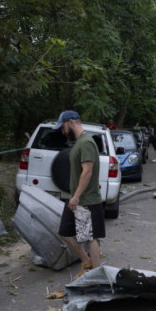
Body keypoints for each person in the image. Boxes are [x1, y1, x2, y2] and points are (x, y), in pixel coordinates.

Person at [54, 110, 104, 278]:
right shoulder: (79, 142)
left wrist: (76, 196)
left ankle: (96, 275)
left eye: (63, 127)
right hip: (77, 198)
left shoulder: (86, 142)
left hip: (85, 199)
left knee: (90, 237)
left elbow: (87, 172)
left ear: (71, 122)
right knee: (64, 232)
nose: (62, 131)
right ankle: (86, 261)